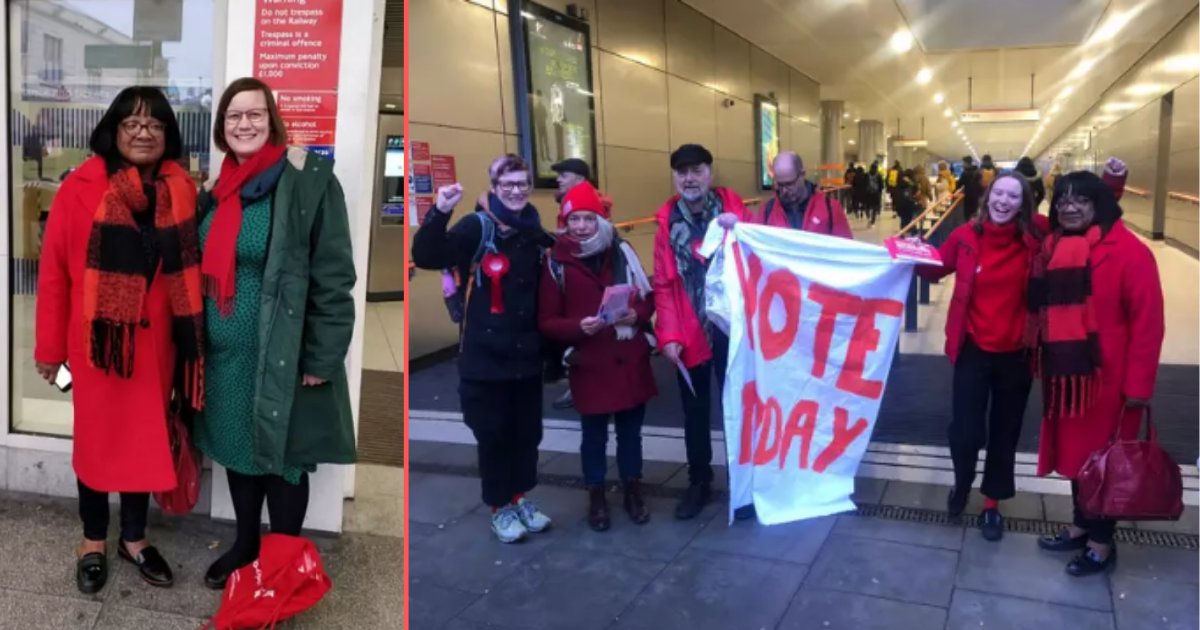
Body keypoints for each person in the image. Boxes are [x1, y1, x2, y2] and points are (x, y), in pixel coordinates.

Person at [35, 86, 206, 594]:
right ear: (113, 129)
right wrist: (48, 350)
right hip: (98, 347)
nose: (143, 133)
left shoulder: (182, 189)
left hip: (157, 349)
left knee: (144, 441)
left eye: (155, 125)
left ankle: (134, 537)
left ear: (168, 136)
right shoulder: (80, 187)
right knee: (96, 442)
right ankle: (92, 539)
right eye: (132, 124)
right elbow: (54, 276)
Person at [193, 78, 357, 589]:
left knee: (284, 461)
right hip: (226, 356)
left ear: (272, 120)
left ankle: (281, 556)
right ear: (222, 128)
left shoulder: (307, 182)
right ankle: (245, 545)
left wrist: (321, 358)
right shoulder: (217, 189)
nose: (244, 124)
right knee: (241, 451)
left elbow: (334, 276)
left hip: (282, 354)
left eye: (254, 114)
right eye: (233, 116)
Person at [411, 154, 556, 543]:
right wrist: (440, 210)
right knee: (493, 435)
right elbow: (426, 255)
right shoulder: (477, 226)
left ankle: (520, 497)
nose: (515, 190)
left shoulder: (532, 229)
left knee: (527, 434)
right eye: (507, 184)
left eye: (522, 183)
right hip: (484, 357)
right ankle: (500, 507)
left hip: (525, 355)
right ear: (493, 187)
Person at [1034, 160, 1162, 577]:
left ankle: (1101, 543)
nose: (1070, 207)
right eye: (1063, 199)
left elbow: (1148, 323)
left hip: (1110, 384)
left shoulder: (1129, 252)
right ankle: (1079, 525)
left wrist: (1139, 387)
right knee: (1077, 460)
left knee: (1105, 463)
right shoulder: (1053, 246)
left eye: (1082, 200)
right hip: (1069, 377)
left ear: (1101, 204)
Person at [917, 173, 1048, 542]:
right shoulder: (965, 236)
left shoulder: (1036, 235)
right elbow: (936, 269)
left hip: (1017, 353)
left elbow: (1085, 218)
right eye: (998, 193)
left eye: (1013, 195)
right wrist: (904, 255)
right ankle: (962, 483)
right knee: (965, 431)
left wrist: (1114, 184)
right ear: (987, 197)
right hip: (973, 348)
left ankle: (992, 504)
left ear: (1024, 203)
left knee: (1005, 433)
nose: (1004, 201)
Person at [538, 181, 656, 531]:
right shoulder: (555, 262)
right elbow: (546, 321)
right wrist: (579, 326)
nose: (581, 226)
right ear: (564, 221)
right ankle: (597, 496)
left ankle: (633, 490)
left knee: (631, 434)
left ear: (600, 220)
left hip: (628, 357)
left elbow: (647, 298)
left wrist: (636, 314)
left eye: (588, 219)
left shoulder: (623, 252)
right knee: (593, 437)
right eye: (574, 219)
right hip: (590, 363)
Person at [652, 143, 747, 520]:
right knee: (694, 412)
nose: (689, 178)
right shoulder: (666, 222)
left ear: (710, 172)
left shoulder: (734, 212)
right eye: (681, 172)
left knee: (737, 407)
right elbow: (663, 284)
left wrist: (740, 228)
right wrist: (669, 335)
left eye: (696, 170)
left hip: (730, 328)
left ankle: (744, 481)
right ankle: (699, 481)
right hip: (689, 328)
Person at [547, 158, 613, 411]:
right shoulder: (567, 202)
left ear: (581, 179)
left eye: (564, 174)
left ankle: (588, 390)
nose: (559, 179)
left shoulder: (595, 206)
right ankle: (579, 387)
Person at [750, 152, 852, 237]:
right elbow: (755, 253)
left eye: (789, 184)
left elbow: (846, 251)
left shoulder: (830, 208)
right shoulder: (767, 211)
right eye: (780, 185)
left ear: (802, 175)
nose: (784, 190)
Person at [955, 156, 983, 220]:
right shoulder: (977, 172)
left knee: (967, 214)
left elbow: (959, 184)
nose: (962, 164)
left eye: (963, 163)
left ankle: (969, 227)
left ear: (966, 163)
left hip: (968, 197)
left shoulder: (965, 173)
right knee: (975, 213)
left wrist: (953, 192)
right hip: (976, 196)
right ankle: (975, 226)